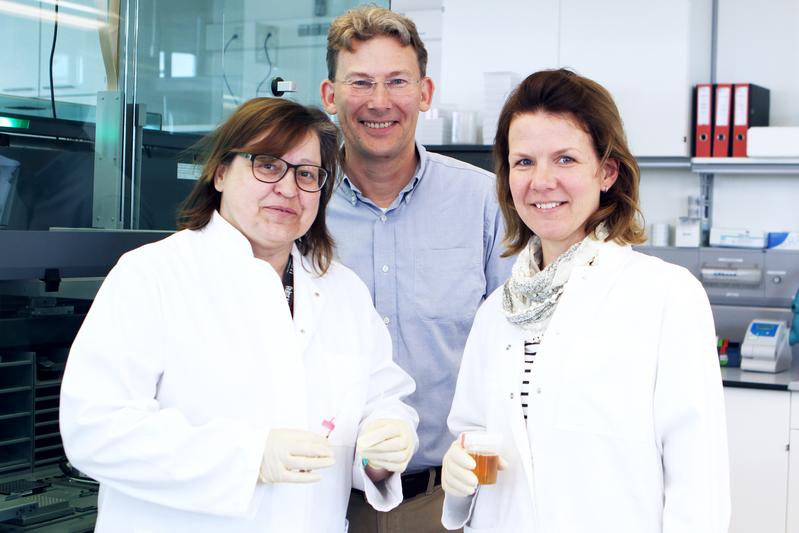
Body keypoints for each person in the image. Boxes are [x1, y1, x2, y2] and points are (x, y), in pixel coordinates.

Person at [58, 97, 419, 533]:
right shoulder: (151, 276)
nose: (288, 189)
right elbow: (95, 429)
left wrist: (382, 446)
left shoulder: (342, 290)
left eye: (307, 175)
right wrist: (250, 457)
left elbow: (381, 399)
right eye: (268, 165)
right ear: (221, 171)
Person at [440, 69, 730, 532]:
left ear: (607, 171)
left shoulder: (665, 296)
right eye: (524, 162)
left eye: (566, 159)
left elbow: (698, 479)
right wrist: (459, 474)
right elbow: (474, 432)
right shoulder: (497, 310)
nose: (542, 181)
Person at [319, 6, 512, 532]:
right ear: (330, 96)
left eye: (397, 82)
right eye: (360, 82)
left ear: (425, 93)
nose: (379, 102)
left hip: (445, 501)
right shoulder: (297, 201)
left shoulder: (483, 201)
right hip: (318, 499)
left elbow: (513, 353)